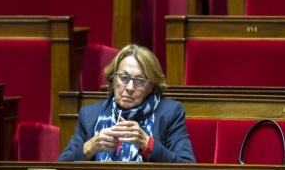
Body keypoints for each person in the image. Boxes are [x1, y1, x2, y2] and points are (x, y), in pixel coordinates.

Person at [58, 44, 195, 162]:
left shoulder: (169, 113)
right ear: (113, 80)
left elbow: (186, 168)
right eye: (124, 78)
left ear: (151, 87)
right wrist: (90, 147)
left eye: (140, 81)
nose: (129, 88)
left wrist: (148, 145)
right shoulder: (89, 115)